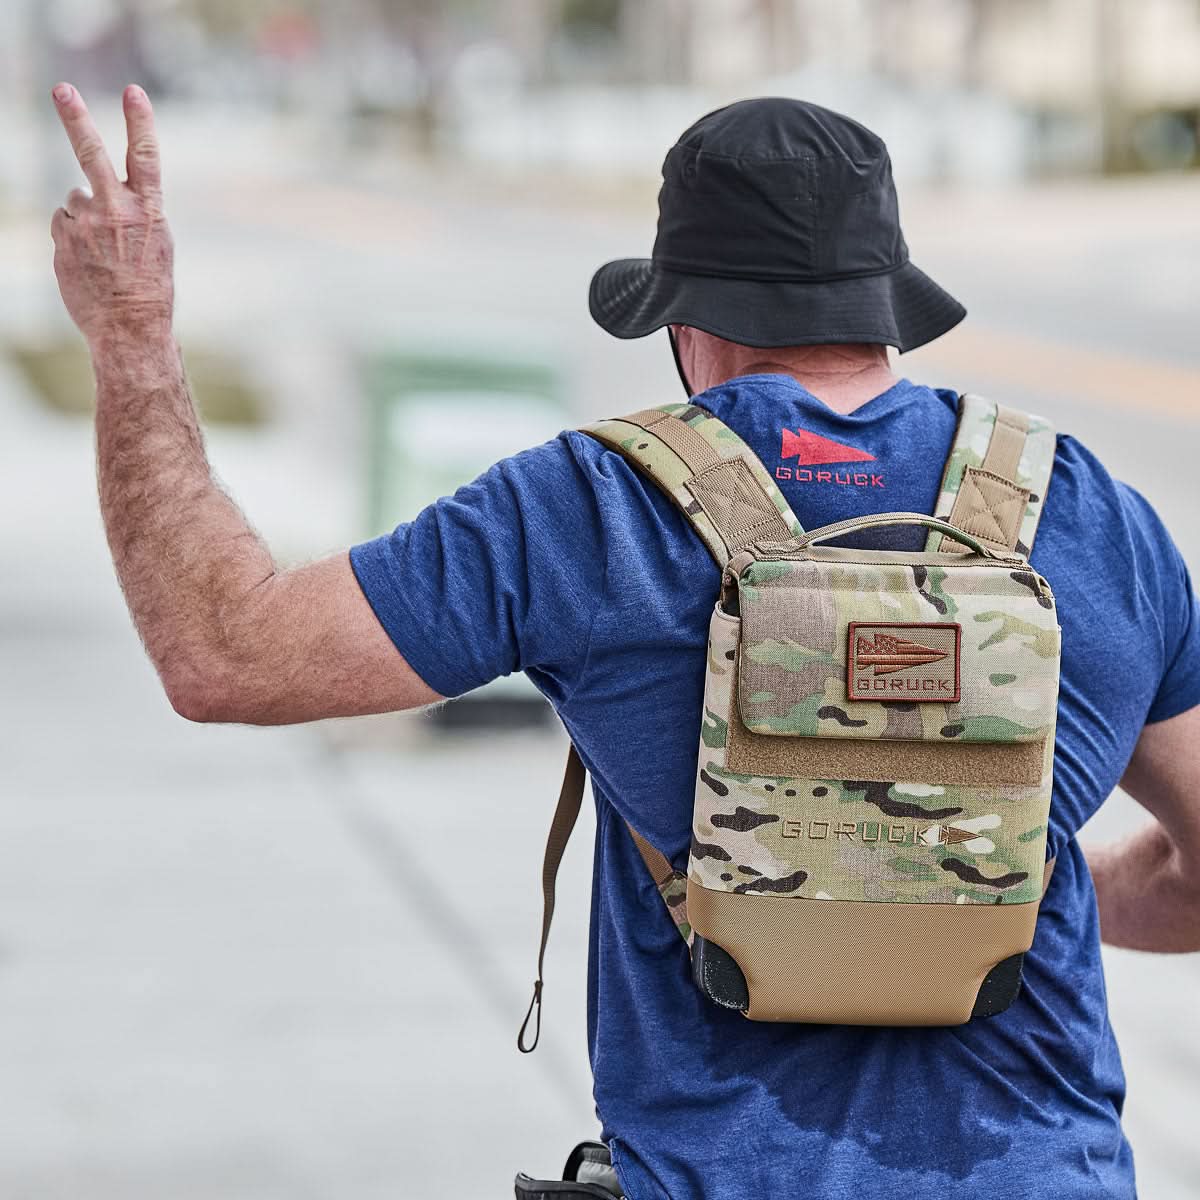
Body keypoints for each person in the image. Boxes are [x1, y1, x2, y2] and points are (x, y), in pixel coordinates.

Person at [49, 83, 1199, 1199]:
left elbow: (223, 652)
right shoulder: (1095, 516)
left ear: (686, 326)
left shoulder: (590, 508)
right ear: (884, 305)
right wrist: (974, 879)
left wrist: (132, 337)